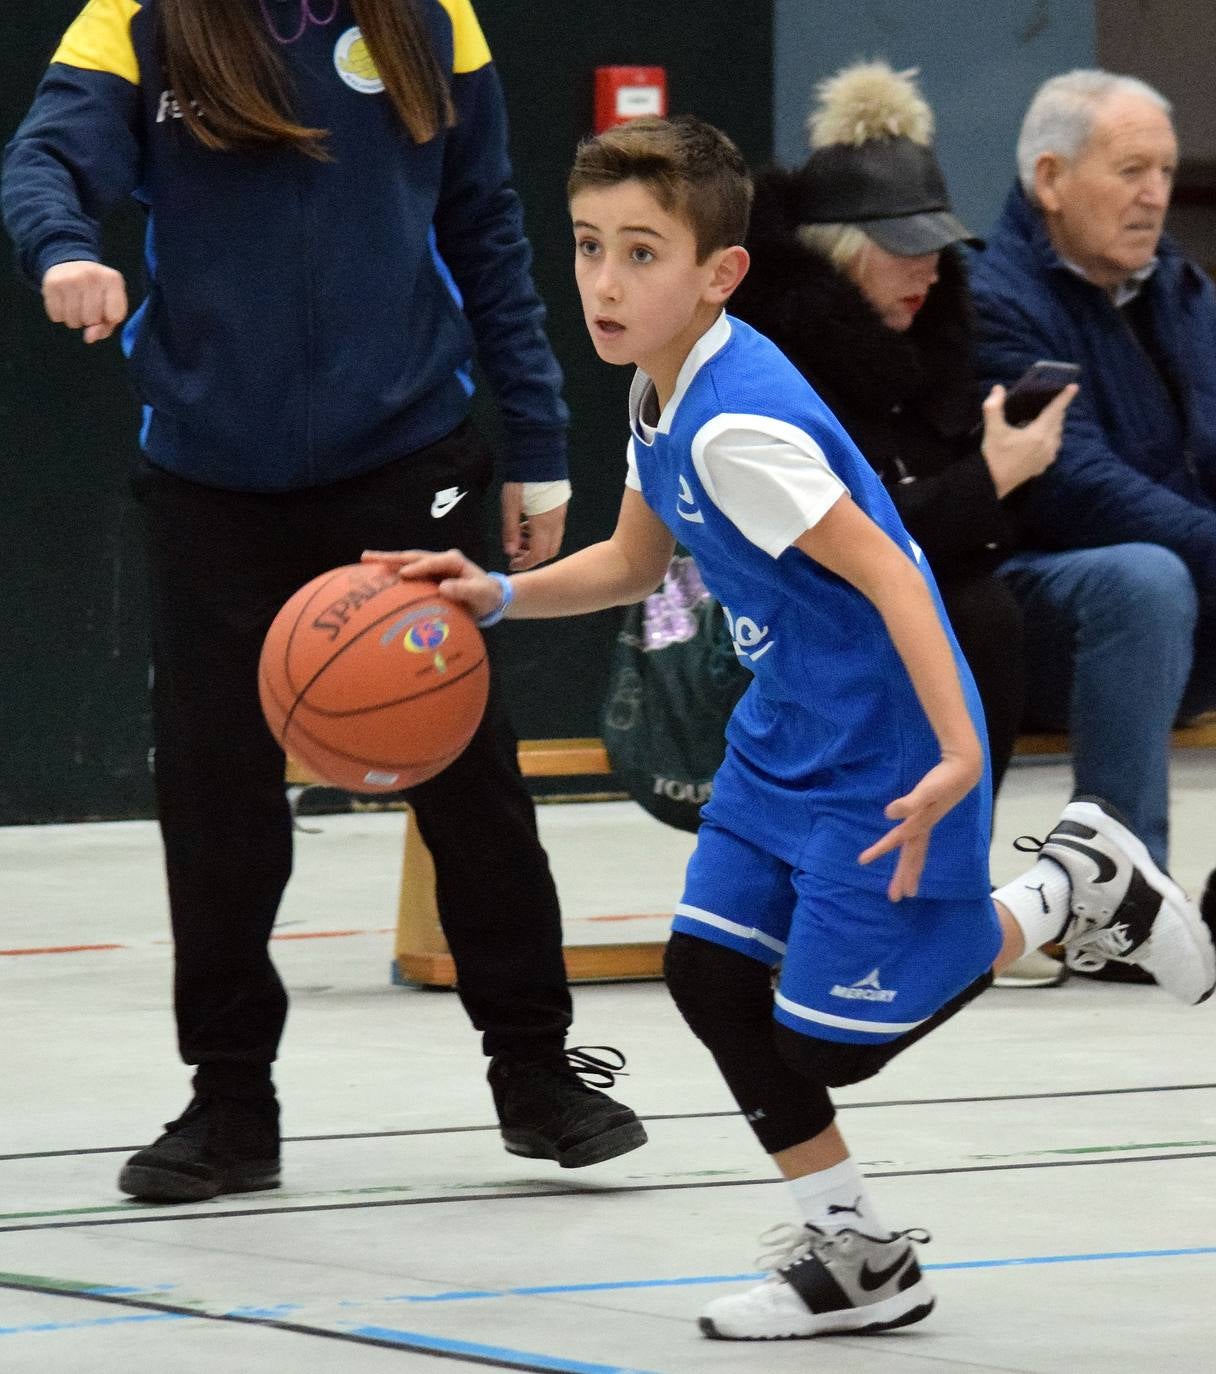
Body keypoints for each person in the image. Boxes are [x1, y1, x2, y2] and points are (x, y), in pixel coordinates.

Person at [366, 114, 1215, 1341]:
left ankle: (1074, 893)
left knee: (833, 1047)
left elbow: (897, 574)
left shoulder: (736, 427)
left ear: (720, 274)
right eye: (589, 245)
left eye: (643, 253)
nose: (605, 281)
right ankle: (858, 1258)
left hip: (883, 750)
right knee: (709, 976)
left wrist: (965, 758)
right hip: (783, 735)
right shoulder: (663, 387)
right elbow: (627, 560)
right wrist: (493, 592)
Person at [1, 0, 647, 1202]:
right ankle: (230, 1102)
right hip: (211, 479)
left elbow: (486, 226)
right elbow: (46, 154)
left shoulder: (430, 20)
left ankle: (536, 1071)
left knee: (471, 774)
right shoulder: (138, 21)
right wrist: (61, 247)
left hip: (406, 459)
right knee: (215, 792)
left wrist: (543, 442)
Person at [731, 62, 1078, 989]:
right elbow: (856, 545)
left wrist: (1006, 473)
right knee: (973, 611)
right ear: (841, 250)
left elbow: (945, 527)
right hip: (776, 611)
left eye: (936, 247)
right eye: (902, 248)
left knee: (1009, 600)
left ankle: (962, 892)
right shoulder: (783, 356)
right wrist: (991, 479)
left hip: (914, 595)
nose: (927, 268)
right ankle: (901, 898)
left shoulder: (933, 337)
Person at [967, 70, 1216, 891]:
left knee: (1164, 575)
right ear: (1050, 179)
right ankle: (1121, 901)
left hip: (1190, 599)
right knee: (1142, 580)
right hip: (1042, 624)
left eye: (1167, 173)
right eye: (1131, 170)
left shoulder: (1183, 292)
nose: (1155, 196)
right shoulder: (992, 300)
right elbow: (1073, 486)